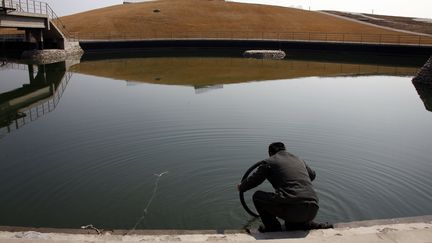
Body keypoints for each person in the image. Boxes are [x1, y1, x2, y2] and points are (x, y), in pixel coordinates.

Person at [238, 142, 330, 232]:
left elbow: (254, 180)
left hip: (293, 209)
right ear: (285, 150)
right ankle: (309, 224)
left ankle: (272, 228)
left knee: (257, 196)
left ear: (270, 153)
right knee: (291, 226)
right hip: (313, 209)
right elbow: (312, 176)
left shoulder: (269, 162)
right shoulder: (299, 159)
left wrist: (241, 187)